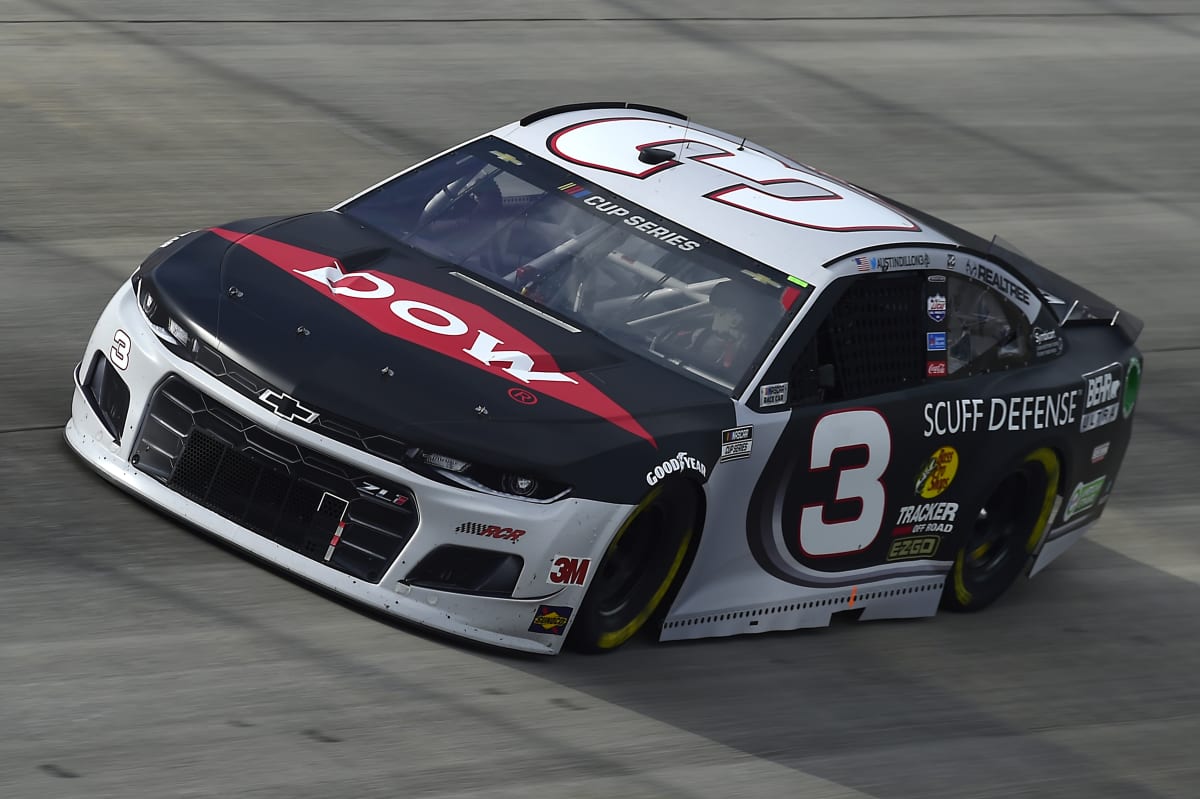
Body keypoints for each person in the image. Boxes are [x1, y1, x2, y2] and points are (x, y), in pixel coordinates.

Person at [656, 279, 774, 380]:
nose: (715, 325)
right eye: (718, 312)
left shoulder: (763, 353)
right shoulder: (694, 334)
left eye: (721, 313)